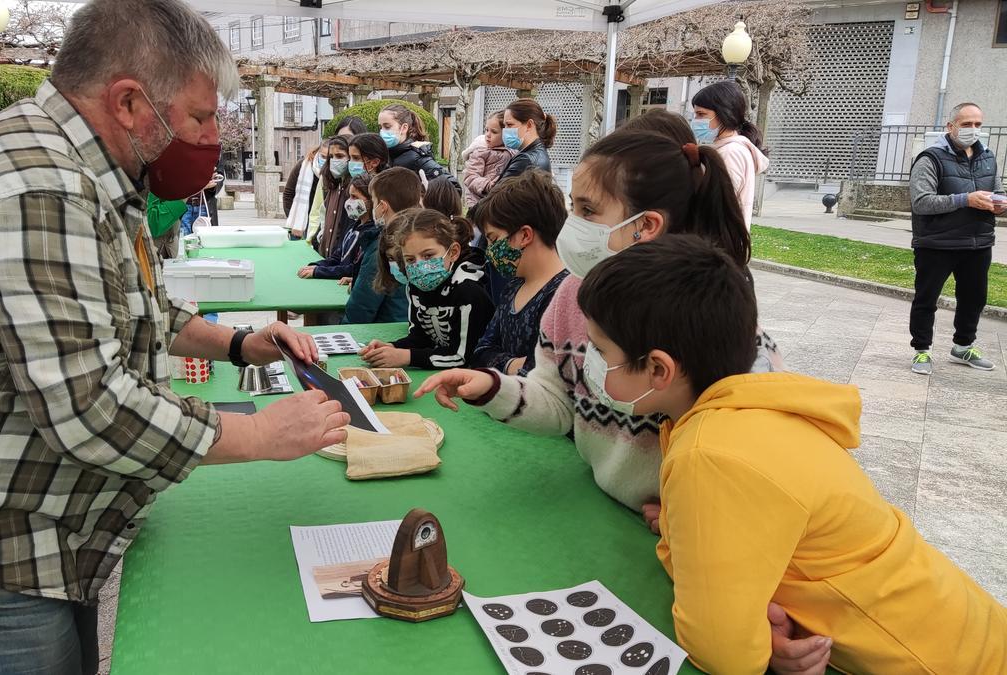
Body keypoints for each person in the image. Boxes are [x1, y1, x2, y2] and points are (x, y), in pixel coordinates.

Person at [0, 1, 351, 671]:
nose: (210, 135)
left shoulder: (86, 173)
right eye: (198, 117)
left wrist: (236, 345)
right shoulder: (37, 188)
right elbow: (90, 407)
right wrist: (257, 434)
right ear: (131, 102)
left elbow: (141, 308)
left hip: (22, 538)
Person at [575, 234, 1007, 674]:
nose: (587, 359)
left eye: (599, 350)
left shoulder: (711, 454)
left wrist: (755, 639)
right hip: (970, 628)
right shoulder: (754, 411)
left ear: (658, 369)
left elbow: (724, 654)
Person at [415, 131, 775, 510]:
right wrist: (491, 387)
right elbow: (556, 399)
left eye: (587, 211)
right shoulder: (572, 292)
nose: (571, 224)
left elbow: (750, 442)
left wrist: (688, 510)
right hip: (601, 501)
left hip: (681, 522)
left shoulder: (710, 308)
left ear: (645, 225)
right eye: (573, 207)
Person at [908, 102, 1004, 375]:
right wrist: (966, 199)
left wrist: (1000, 203)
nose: (973, 130)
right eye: (966, 124)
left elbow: (997, 190)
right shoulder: (930, 159)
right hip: (937, 243)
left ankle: (963, 347)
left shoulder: (988, 157)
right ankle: (921, 351)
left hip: (978, 242)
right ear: (951, 127)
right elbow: (921, 202)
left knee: (974, 298)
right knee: (926, 299)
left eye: (978, 125)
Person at [360, 208, 492, 369]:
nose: (420, 266)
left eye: (428, 255)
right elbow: (420, 338)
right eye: (410, 259)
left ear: (453, 252)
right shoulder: (416, 286)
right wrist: (392, 347)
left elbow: (461, 356)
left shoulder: (468, 292)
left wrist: (407, 357)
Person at [471, 169, 569, 376]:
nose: (489, 251)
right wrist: (514, 365)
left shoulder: (564, 295)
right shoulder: (513, 288)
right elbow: (480, 352)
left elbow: (546, 372)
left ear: (525, 235)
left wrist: (504, 365)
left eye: (494, 240)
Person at [341, 167, 418, 325]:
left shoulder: (382, 245)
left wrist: (346, 332)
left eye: (374, 201)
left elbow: (362, 306)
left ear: (382, 206)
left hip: (383, 331)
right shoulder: (420, 237)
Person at [691, 80, 770, 230]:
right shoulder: (729, 149)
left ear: (724, 114)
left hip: (717, 243)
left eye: (701, 114)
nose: (695, 120)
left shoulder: (730, 153)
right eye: (695, 114)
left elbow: (715, 206)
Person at [299, 174, 373, 281]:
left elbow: (355, 268)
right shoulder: (353, 226)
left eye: (355, 197)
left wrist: (320, 272)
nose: (350, 202)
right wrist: (317, 266)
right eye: (350, 196)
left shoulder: (371, 233)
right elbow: (337, 257)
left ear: (370, 200)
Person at [377, 103, 458, 187]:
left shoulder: (417, 158)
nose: (382, 132)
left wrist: (424, 196)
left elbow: (454, 186)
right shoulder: (384, 156)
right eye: (380, 127)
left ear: (404, 128)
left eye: (387, 127)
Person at [462, 109, 517, 207]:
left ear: (506, 133)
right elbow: (470, 177)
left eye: (494, 132)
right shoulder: (481, 151)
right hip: (478, 202)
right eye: (487, 130)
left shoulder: (512, 151)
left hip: (498, 201)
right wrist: (488, 185)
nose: (488, 135)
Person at [495, 98, 556, 181]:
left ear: (529, 125)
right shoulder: (537, 153)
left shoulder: (526, 160)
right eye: (504, 125)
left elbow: (498, 193)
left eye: (509, 125)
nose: (505, 130)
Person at [310, 136, 351, 257]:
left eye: (340, 156)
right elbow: (323, 212)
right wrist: (321, 236)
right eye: (331, 157)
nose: (334, 160)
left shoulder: (352, 188)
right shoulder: (333, 185)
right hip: (326, 253)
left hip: (340, 259)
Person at [283, 143, 323, 239]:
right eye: (323, 156)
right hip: (301, 224)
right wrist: (296, 221)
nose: (325, 159)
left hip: (322, 222)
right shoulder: (304, 165)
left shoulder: (333, 172)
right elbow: (288, 195)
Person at [146, 192, 188, 258]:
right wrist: (184, 197)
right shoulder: (149, 186)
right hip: (153, 248)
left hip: (171, 244)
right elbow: (153, 225)